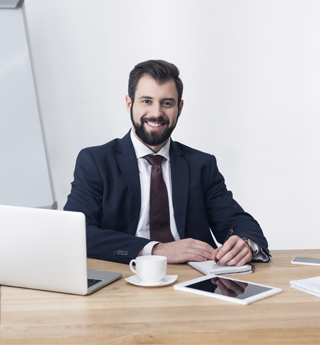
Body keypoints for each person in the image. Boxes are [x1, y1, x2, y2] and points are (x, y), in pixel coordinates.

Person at [64, 60, 270, 266]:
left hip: (193, 281)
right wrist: (156, 250)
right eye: (146, 101)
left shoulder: (201, 165)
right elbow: (76, 233)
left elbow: (240, 223)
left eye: (167, 103)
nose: (156, 113)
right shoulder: (96, 162)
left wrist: (246, 244)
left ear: (179, 108)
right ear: (129, 104)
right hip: (125, 277)